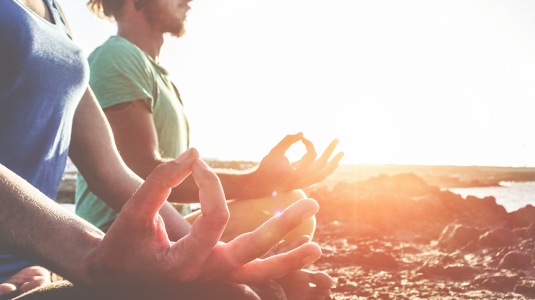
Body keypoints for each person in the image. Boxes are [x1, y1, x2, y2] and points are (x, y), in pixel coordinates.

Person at [0, 0, 325, 298]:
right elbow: (146, 168)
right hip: (70, 250)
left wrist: (216, 259)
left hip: (39, 263)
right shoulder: (118, 57)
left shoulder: (55, 14)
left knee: (239, 283)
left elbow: (112, 171)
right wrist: (83, 254)